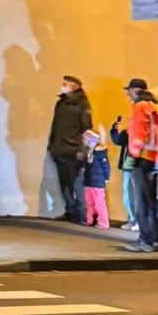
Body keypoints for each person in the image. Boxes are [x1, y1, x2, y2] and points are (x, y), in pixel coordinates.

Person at [122, 79, 158, 254]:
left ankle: (146, 241)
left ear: (136, 90)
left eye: (129, 91)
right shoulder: (156, 108)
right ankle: (154, 238)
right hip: (154, 159)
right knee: (150, 201)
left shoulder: (140, 107)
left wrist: (132, 158)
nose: (127, 94)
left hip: (141, 159)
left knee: (141, 202)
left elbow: (137, 134)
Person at [46, 76, 92, 224]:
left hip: (74, 150)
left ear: (75, 87)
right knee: (64, 183)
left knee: (77, 183)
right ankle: (70, 211)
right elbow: (55, 126)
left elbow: (87, 129)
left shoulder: (82, 104)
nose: (62, 86)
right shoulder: (61, 103)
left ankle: (81, 214)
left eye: (66, 84)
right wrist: (52, 145)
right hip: (60, 149)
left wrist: (83, 149)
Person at [109, 110, 137, 235]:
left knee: (136, 196)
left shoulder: (143, 132)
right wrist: (114, 130)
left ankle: (138, 221)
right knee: (127, 195)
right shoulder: (127, 132)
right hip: (127, 167)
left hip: (137, 168)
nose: (129, 121)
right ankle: (132, 219)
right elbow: (117, 141)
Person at [80, 129, 110, 228]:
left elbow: (106, 166)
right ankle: (90, 219)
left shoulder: (100, 153)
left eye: (85, 139)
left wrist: (106, 178)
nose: (83, 141)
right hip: (89, 181)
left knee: (99, 203)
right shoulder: (89, 152)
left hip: (98, 182)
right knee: (89, 202)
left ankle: (103, 222)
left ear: (90, 140)